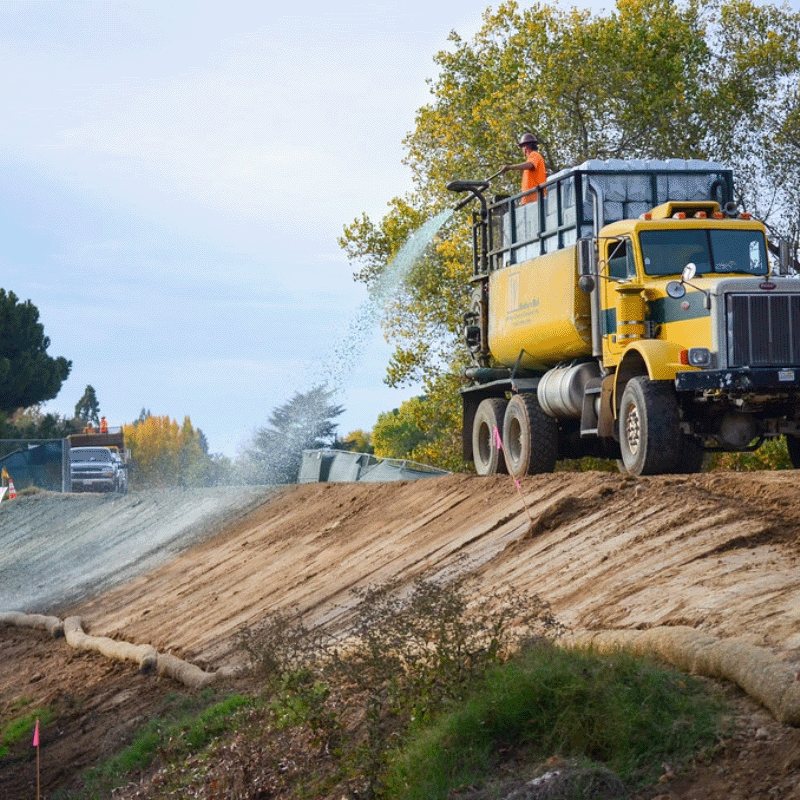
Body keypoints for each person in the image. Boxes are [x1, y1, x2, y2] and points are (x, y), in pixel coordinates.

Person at [501, 133, 546, 205]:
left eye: (523, 146)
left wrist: (510, 167)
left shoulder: (534, 155)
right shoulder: (532, 158)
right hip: (530, 201)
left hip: (535, 200)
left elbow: (530, 165)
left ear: (526, 147)